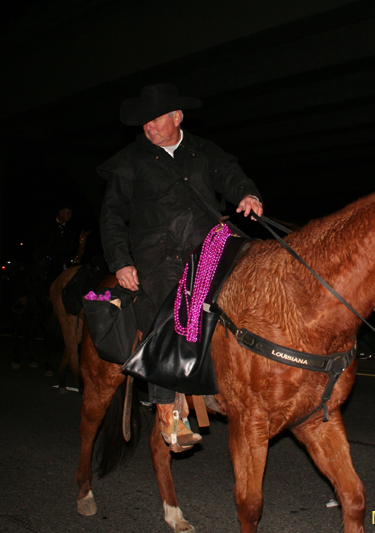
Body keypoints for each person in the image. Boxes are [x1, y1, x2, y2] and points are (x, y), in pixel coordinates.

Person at [98, 83, 263, 452]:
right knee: (168, 314)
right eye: (143, 124)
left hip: (208, 246)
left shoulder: (203, 150)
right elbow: (111, 215)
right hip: (157, 255)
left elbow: (229, 173)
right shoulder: (131, 161)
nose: (148, 128)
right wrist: (121, 262)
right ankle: (169, 411)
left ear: (177, 117)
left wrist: (247, 194)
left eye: (154, 120)